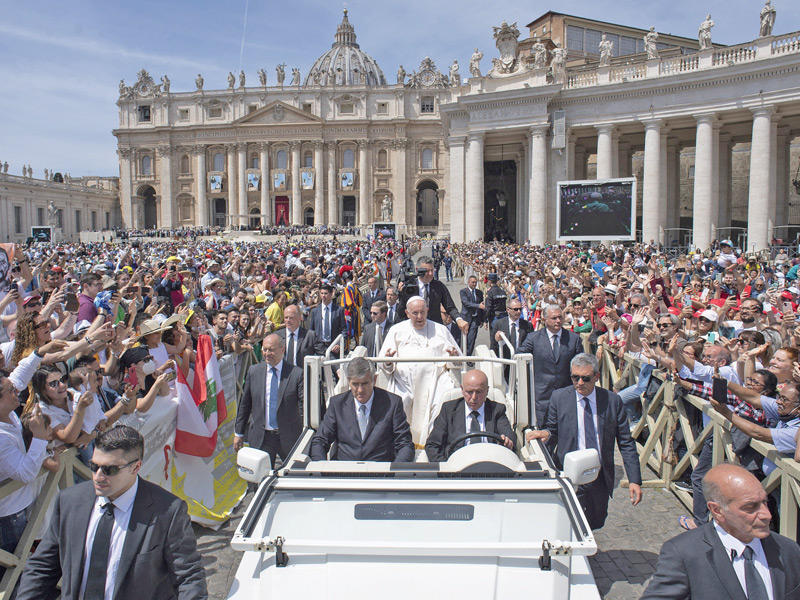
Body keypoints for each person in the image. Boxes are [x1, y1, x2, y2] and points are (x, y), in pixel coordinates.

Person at [16, 426, 207, 600]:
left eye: (110, 470)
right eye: (94, 466)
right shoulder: (69, 502)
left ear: (136, 467)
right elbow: (42, 568)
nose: (98, 476)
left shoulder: (168, 511)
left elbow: (189, 577)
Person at [641, 463, 800, 600]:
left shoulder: (788, 550)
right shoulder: (683, 554)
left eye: (765, 502)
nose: (767, 515)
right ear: (717, 510)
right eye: (750, 507)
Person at [526, 353, 643, 530]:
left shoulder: (612, 401)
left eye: (585, 378)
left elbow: (626, 442)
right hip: (569, 474)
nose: (580, 383)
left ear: (596, 377)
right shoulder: (559, 398)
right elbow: (553, 429)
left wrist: (634, 480)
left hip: (599, 477)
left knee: (596, 521)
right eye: (575, 377)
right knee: (569, 523)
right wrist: (546, 434)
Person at [378, 296, 462, 445]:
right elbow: (384, 362)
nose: (419, 317)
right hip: (404, 382)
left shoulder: (440, 330)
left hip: (435, 380)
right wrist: (389, 361)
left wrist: (453, 357)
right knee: (400, 402)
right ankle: (401, 444)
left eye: (422, 312)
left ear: (427, 311)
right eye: (415, 313)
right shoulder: (396, 330)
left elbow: (457, 360)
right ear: (407, 313)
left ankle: (433, 443)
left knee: (441, 402)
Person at [309, 357, 413, 462]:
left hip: (380, 470)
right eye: (355, 384)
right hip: (343, 469)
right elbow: (320, 441)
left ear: (374, 379)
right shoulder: (337, 405)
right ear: (348, 381)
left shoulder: (392, 404)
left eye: (365, 383)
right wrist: (321, 468)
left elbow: (405, 444)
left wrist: (395, 469)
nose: (360, 390)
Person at [234, 333, 304, 464]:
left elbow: (303, 408)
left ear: (282, 349)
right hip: (262, 437)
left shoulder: (296, 374)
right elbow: (245, 405)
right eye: (264, 349)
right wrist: (239, 433)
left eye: (271, 350)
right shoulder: (254, 371)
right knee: (260, 475)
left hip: (288, 437)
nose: (267, 353)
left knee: (294, 473)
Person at [425, 369, 514, 461]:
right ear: (462, 390)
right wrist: (446, 466)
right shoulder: (449, 410)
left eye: (478, 392)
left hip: (489, 463)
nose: (474, 397)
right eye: (469, 392)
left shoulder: (497, 410)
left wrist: (507, 442)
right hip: (457, 465)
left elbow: (510, 438)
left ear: (487, 391)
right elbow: (432, 445)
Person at [517, 305, 583, 427]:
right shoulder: (533, 338)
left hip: (566, 394)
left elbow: (581, 365)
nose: (558, 321)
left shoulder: (574, 339)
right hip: (542, 396)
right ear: (545, 319)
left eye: (560, 317)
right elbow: (518, 356)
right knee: (544, 432)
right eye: (554, 318)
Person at [397, 257, 467, 333]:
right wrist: (401, 293)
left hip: (434, 329)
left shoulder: (439, 286)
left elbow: (450, 307)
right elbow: (401, 312)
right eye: (427, 271)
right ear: (417, 270)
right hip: (414, 330)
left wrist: (458, 319)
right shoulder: (409, 286)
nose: (430, 274)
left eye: (432, 270)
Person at [275, 304, 316, 369]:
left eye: (291, 318)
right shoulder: (277, 336)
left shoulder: (310, 336)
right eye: (286, 317)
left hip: (303, 373)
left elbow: (322, 354)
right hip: (283, 373)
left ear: (299, 318)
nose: (288, 320)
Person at [309, 283, 345, 355]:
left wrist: (338, 344)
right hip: (319, 348)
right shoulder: (315, 311)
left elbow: (344, 330)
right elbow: (311, 330)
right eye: (321, 293)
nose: (323, 296)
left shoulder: (339, 310)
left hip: (334, 346)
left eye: (325, 293)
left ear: (331, 294)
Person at [459, 275, 485, 356]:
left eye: (475, 282)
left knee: (471, 339)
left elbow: (482, 307)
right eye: (473, 282)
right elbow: (466, 303)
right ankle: (461, 355)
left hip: (475, 319)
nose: (474, 284)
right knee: (463, 339)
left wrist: (482, 320)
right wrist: (478, 306)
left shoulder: (479, 292)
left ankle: (468, 356)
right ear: (468, 282)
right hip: (466, 318)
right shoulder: (463, 292)